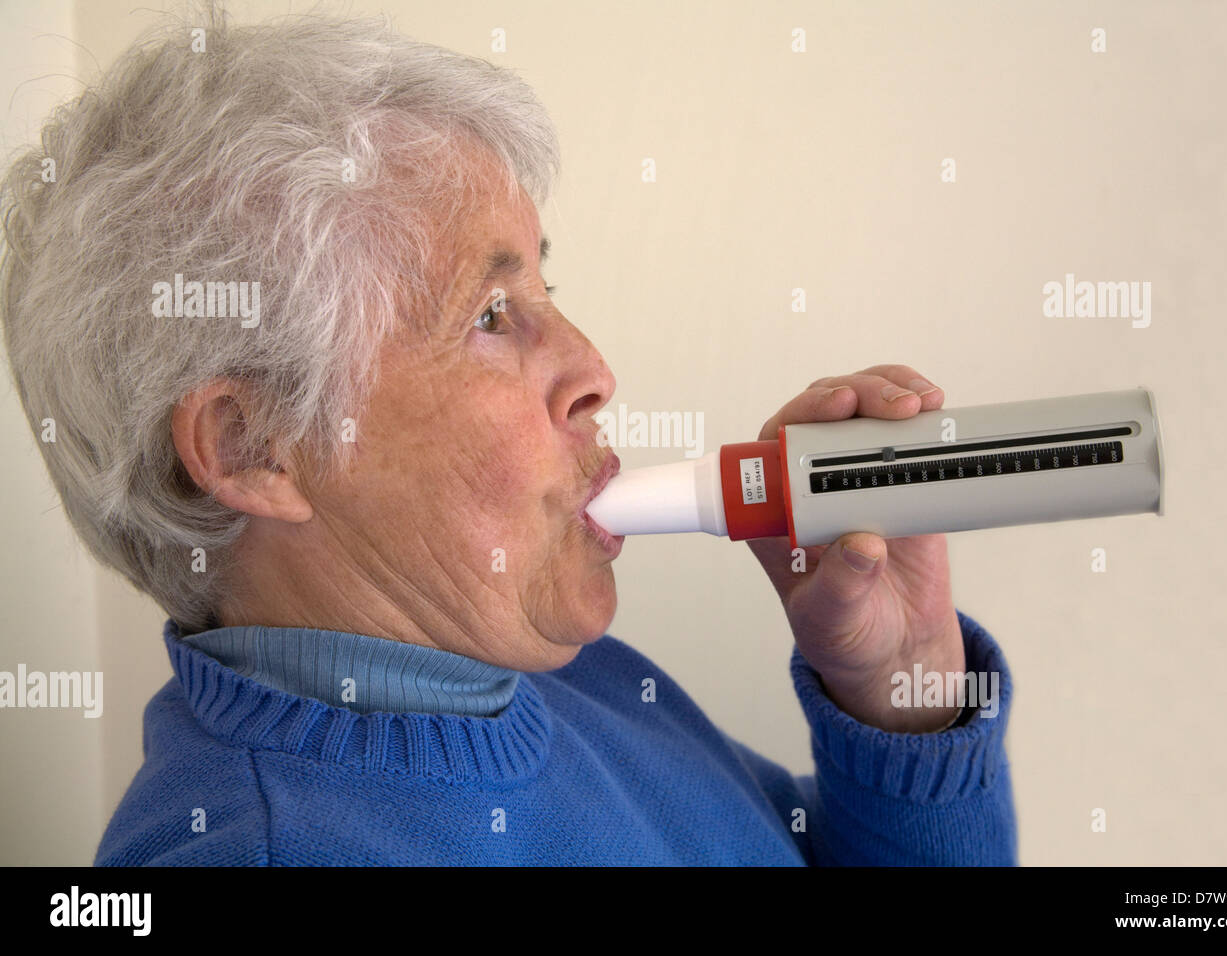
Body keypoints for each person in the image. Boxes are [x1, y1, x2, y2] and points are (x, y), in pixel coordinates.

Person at [0, 8, 1015, 865]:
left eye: (547, 286)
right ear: (255, 441)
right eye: (490, 314)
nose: (592, 368)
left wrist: (902, 693)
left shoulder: (575, 678)